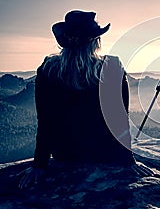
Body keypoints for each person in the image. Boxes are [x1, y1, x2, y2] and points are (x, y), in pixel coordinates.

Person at [19, 10, 151, 188]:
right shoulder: (111, 68)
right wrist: (128, 161)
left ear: (63, 42)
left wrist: (39, 165)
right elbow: (119, 119)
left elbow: (46, 122)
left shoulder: (48, 71)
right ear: (96, 42)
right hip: (105, 154)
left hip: (66, 154)